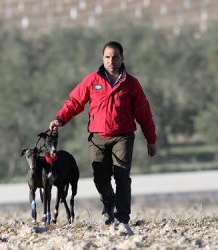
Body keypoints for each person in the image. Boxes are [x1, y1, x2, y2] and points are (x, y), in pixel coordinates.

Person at [49, 41, 156, 235]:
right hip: (97, 137)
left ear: (122, 58)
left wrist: (151, 139)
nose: (111, 61)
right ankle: (108, 202)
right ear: (102, 58)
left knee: (122, 176)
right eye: (107, 57)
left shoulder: (131, 84)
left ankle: (123, 219)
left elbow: (144, 113)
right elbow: (74, 102)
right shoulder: (92, 80)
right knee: (100, 178)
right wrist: (59, 119)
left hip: (123, 137)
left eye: (115, 57)